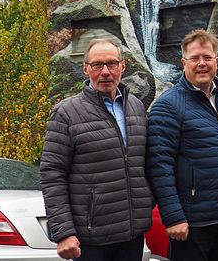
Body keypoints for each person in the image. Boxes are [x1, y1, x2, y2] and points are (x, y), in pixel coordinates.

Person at [40, 38, 152, 261]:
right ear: (85, 69)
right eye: (97, 65)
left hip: (132, 233)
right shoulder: (66, 113)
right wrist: (64, 233)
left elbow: (143, 164)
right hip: (90, 238)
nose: (105, 72)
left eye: (111, 64)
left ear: (123, 66)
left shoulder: (136, 107)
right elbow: (52, 174)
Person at [147, 29, 218, 261]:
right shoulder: (167, 106)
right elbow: (159, 166)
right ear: (183, 63)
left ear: (216, 61)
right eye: (195, 58)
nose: (202, 63)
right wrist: (173, 217)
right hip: (191, 224)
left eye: (207, 58)